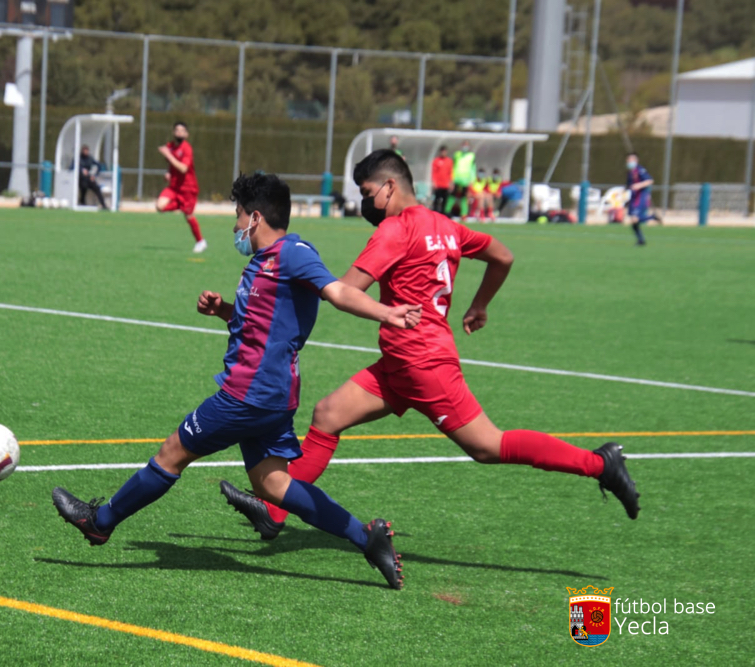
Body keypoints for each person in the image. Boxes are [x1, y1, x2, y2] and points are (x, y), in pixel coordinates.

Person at [220, 150, 641, 543]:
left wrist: (283, 288)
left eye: (367, 194)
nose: (366, 203)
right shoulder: (446, 225)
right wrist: (479, 306)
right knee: (329, 414)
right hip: (400, 363)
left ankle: (601, 464)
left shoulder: (396, 230)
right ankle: (274, 516)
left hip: (423, 364)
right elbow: (503, 256)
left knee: (487, 447)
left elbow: (345, 290)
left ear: (388, 187)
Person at [52, 172, 424, 590]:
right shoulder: (264, 263)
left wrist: (387, 312)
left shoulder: (292, 252)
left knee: (173, 452)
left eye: (237, 215)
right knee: (273, 484)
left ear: (256, 216)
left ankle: (99, 523)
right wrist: (225, 311)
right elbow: (265, 324)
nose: (234, 225)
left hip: (249, 394)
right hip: (271, 395)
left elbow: (337, 291)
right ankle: (367, 537)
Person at [156, 121, 205, 253]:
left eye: (182, 131)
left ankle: (200, 241)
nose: (179, 133)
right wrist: (168, 172)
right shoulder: (170, 146)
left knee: (189, 216)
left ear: (186, 134)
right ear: (173, 132)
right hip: (174, 187)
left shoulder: (186, 148)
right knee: (160, 206)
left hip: (188, 188)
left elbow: (183, 168)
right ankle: (180, 206)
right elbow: (171, 165)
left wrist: (168, 155)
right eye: (177, 130)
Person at [625, 152, 661, 246]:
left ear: (636, 161)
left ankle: (652, 217)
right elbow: (629, 185)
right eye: (628, 160)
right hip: (634, 198)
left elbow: (650, 180)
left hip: (640, 197)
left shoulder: (640, 170)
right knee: (633, 221)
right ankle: (641, 240)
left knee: (635, 219)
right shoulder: (630, 172)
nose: (629, 162)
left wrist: (638, 185)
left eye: (631, 160)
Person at [447, 141, 476, 220]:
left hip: (466, 180)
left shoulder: (471, 156)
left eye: (466, 146)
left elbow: (473, 169)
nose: (465, 147)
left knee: (464, 197)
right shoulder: (457, 155)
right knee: (452, 196)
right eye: (464, 145)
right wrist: (451, 179)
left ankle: (464, 214)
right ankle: (447, 212)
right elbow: (452, 167)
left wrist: (472, 180)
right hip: (456, 179)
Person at [77, 145, 108, 209]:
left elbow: (98, 165)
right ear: (82, 151)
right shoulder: (78, 158)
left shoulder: (90, 158)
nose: (86, 152)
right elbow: (72, 167)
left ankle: (103, 205)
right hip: (80, 178)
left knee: (97, 188)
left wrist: (94, 175)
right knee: (83, 187)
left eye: (87, 151)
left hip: (89, 177)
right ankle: (82, 203)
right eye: (84, 151)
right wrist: (81, 170)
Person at [430, 145, 453, 215]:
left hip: (446, 184)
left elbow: (451, 173)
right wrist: (434, 182)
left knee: (445, 200)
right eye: (442, 151)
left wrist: (451, 183)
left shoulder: (449, 161)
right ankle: (435, 213)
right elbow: (434, 172)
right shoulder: (436, 161)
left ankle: (443, 214)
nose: (443, 153)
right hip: (438, 184)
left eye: (445, 152)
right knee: (437, 200)